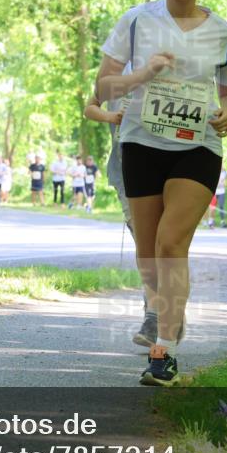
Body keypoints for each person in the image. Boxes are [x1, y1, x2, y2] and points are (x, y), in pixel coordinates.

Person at [96, 0, 227, 385]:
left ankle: (165, 352)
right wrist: (144, 73)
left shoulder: (223, 32)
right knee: (147, 252)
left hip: (197, 146)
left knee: (170, 243)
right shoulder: (137, 21)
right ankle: (167, 318)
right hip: (141, 142)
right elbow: (103, 88)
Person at [83, 87, 160, 348]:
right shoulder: (114, 71)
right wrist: (112, 117)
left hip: (165, 169)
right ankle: (154, 315)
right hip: (125, 172)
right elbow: (90, 107)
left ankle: (168, 307)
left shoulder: (168, 68)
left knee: (167, 242)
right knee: (146, 243)